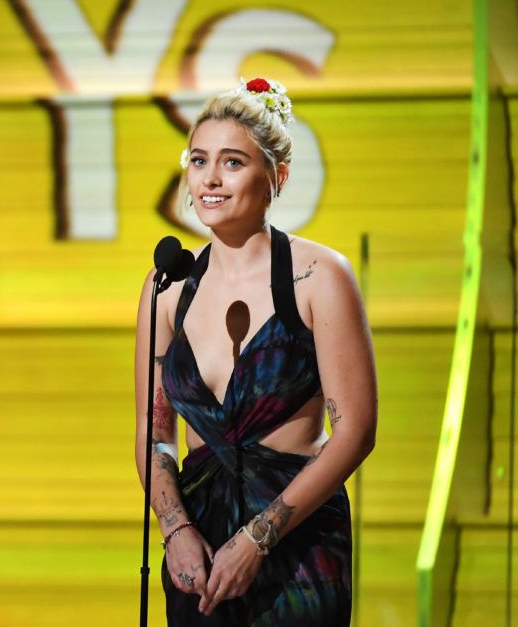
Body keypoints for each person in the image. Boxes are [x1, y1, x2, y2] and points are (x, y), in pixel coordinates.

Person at [133, 77, 378, 625]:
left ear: (278, 176)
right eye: (198, 161)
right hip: (196, 555)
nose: (210, 179)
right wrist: (176, 531)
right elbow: (155, 434)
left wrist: (258, 539)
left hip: (297, 550)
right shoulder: (167, 287)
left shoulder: (319, 277)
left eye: (232, 162)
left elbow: (356, 430)